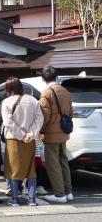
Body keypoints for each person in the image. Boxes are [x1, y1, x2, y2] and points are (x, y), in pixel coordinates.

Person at [1, 77, 43, 206]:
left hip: (14, 140)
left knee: (13, 170)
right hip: (30, 140)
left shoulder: (6, 102)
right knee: (31, 170)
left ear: (9, 89)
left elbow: (8, 122)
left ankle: (15, 199)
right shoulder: (33, 100)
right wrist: (30, 134)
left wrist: (21, 135)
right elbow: (39, 119)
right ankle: (32, 199)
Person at [39, 66, 74, 203]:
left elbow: (44, 115)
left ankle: (60, 194)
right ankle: (68, 192)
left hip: (51, 134)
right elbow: (71, 112)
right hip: (64, 132)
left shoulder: (46, 93)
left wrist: (40, 130)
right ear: (56, 76)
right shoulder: (65, 91)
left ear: (43, 78)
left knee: (53, 164)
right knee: (63, 161)